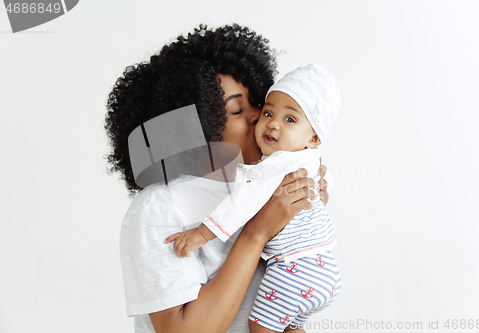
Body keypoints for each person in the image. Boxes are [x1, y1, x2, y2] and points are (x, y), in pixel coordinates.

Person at [104, 24, 331, 333]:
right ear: (194, 129)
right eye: (237, 109)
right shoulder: (159, 206)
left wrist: (306, 209)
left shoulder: (256, 186)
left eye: (258, 104)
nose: (258, 117)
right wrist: (257, 233)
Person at [166, 64, 342, 332]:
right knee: (289, 328)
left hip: (293, 267)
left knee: (259, 327)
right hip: (325, 269)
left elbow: (240, 204)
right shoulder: (309, 158)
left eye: (290, 119)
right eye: (269, 112)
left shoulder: (271, 169)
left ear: (314, 137)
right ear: (202, 122)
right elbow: (321, 186)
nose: (267, 121)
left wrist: (201, 235)